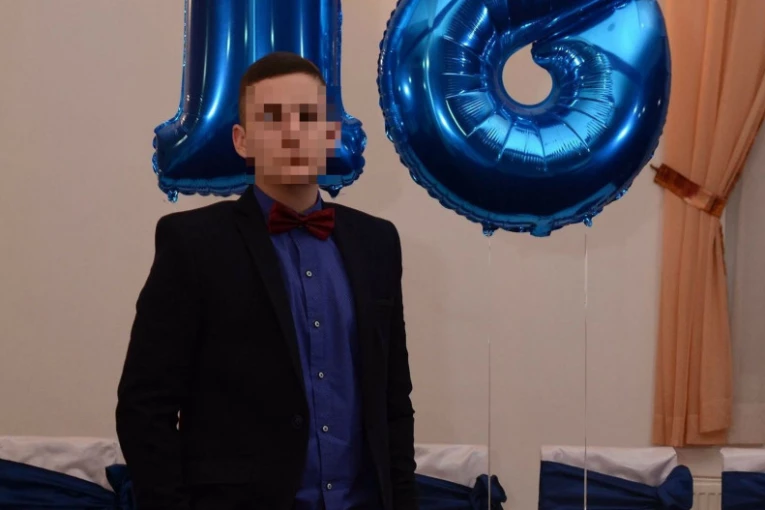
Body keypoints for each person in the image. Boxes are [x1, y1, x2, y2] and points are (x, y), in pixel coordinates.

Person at [116, 52, 418, 510]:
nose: (293, 132)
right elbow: (144, 408)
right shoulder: (193, 244)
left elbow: (394, 401)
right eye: (273, 118)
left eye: (308, 117)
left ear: (331, 133)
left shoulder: (377, 243)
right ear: (242, 141)